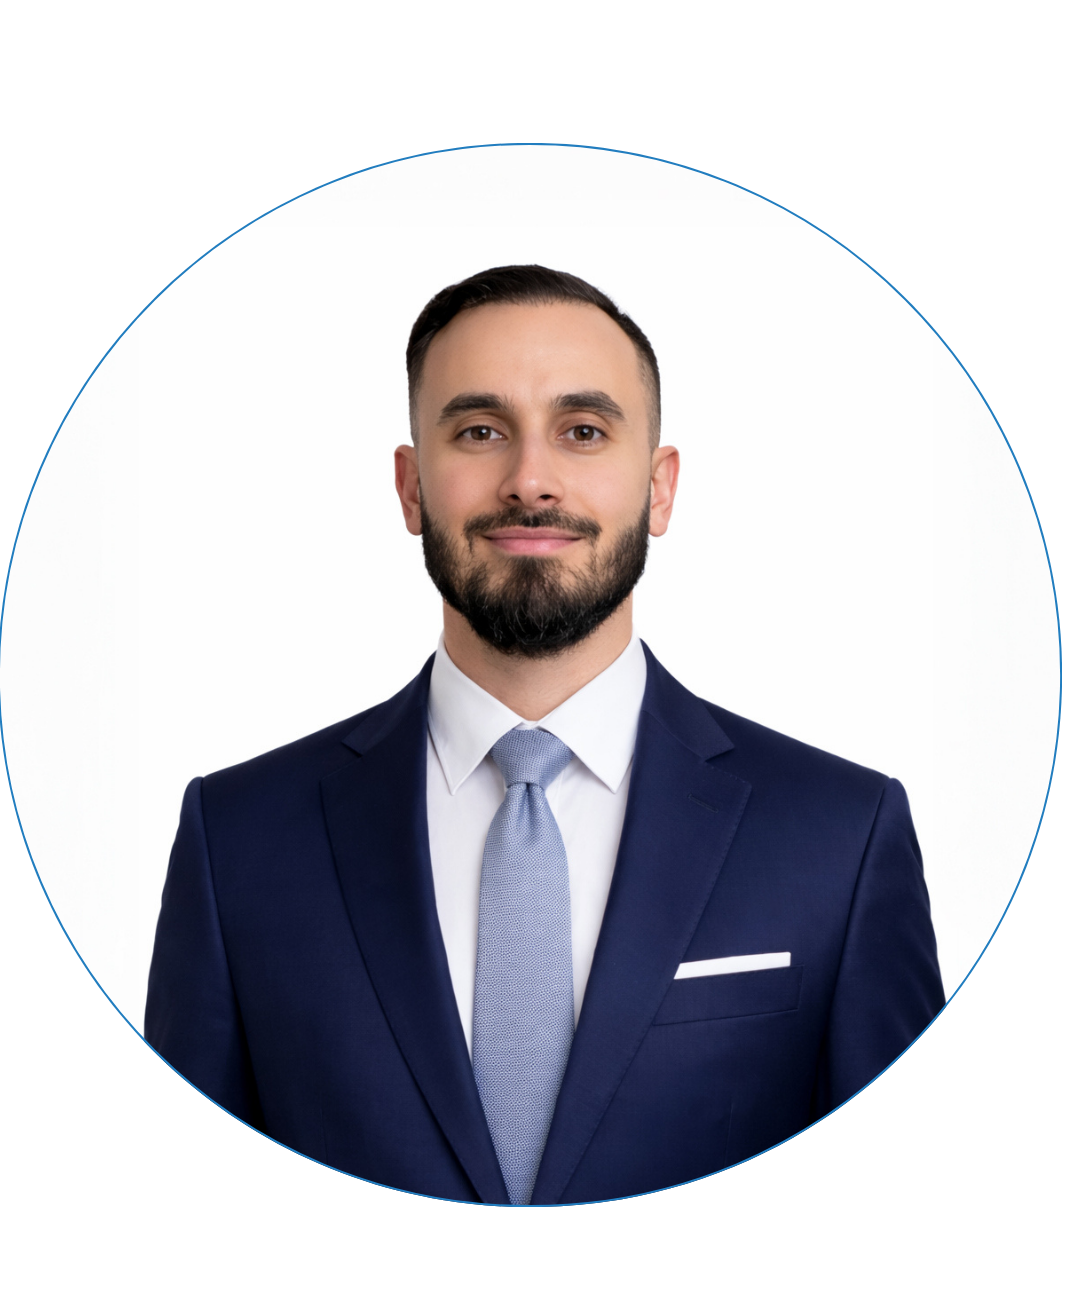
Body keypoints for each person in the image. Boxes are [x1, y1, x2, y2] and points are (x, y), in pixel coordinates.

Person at [145, 264, 944, 1206]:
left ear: (660, 488)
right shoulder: (236, 841)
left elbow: (906, 1222)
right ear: (410, 489)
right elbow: (179, 1223)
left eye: (583, 432)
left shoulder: (839, 839)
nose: (530, 480)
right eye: (480, 431)